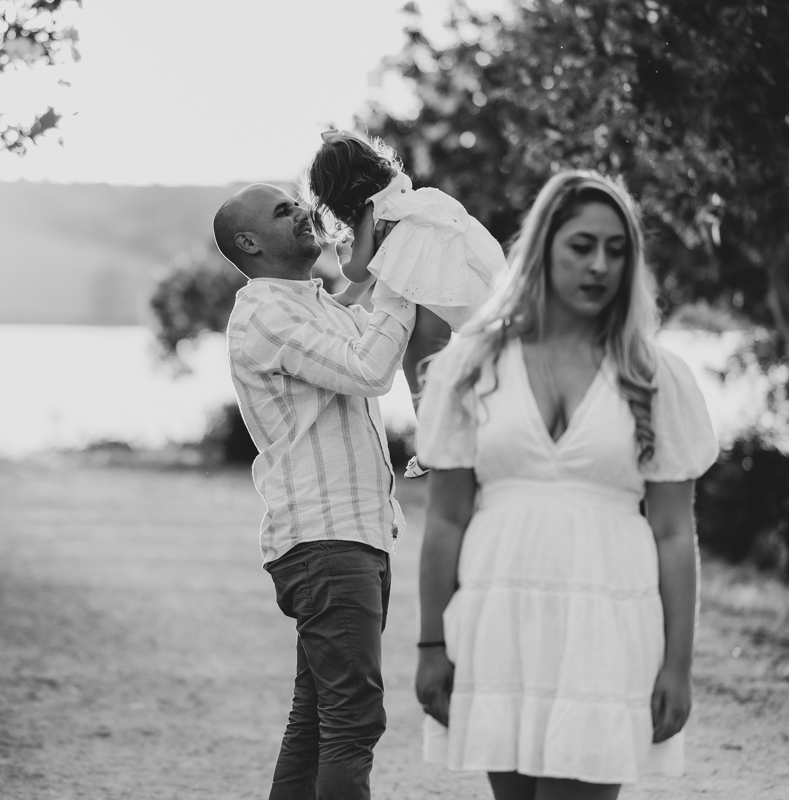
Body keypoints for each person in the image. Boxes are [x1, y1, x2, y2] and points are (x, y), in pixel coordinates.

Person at [412, 170, 718, 800]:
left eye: (616, 250)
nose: (600, 265)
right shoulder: (470, 366)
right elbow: (446, 519)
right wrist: (432, 644)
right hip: (500, 616)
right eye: (582, 246)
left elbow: (672, 532)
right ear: (544, 249)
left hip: (607, 619)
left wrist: (678, 665)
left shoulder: (655, 375)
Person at [213, 183, 417, 800]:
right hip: (328, 541)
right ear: (249, 243)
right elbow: (369, 368)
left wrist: (392, 241)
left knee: (317, 720)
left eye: (298, 202)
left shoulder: (313, 305)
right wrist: (408, 283)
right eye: (284, 211)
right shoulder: (265, 315)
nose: (303, 211)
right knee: (353, 718)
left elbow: (362, 312)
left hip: (351, 536)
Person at [302, 129, 509, 478]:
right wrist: (348, 298)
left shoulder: (369, 212)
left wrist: (343, 259)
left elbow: (360, 268)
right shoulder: (399, 191)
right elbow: (385, 259)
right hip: (453, 274)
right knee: (446, 360)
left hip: (428, 285)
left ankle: (432, 437)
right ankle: (467, 425)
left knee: (420, 361)